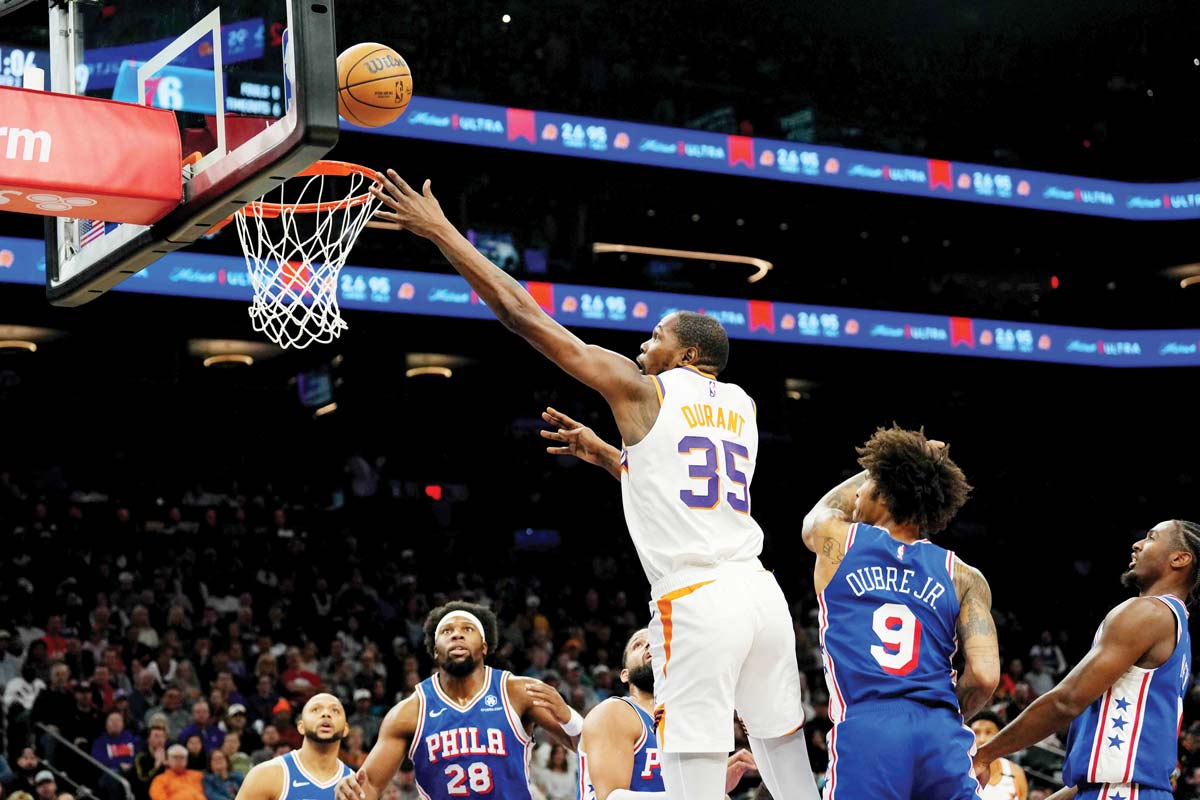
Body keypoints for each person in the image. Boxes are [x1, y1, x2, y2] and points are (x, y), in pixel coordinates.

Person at [371, 170, 820, 800]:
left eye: (656, 336)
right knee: (786, 756)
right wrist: (613, 455)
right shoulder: (742, 404)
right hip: (761, 594)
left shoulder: (645, 389)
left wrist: (441, 231)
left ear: (688, 355)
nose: (643, 343)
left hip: (696, 597)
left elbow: (522, 315)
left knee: (689, 771)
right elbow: (687, 483)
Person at [801, 426, 999, 799]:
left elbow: (822, 510)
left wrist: (895, 465)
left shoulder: (840, 541)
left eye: (869, 481)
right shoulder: (964, 575)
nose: (858, 492)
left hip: (869, 727)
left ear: (885, 490)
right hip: (941, 732)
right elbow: (986, 677)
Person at [973, 520, 1200, 800]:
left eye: (1152, 538)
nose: (1138, 544)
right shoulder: (1180, 631)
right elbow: (1105, 769)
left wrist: (984, 755)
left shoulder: (1148, 612)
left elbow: (1065, 700)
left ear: (1180, 558)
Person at [335, 602, 578, 800]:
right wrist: (350, 793)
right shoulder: (410, 712)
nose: (457, 635)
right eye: (447, 631)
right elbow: (370, 787)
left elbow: (587, 743)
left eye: (467, 629)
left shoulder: (516, 692)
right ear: (435, 650)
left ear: (484, 647)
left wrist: (570, 719)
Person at [579, 629, 756, 800]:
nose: (649, 644)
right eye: (638, 645)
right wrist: (702, 795)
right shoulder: (613, 712)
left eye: (656, 641)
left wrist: (713, 785)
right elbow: (611, 797)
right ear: (624, 675)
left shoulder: (683, 723)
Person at [235, 693, 352, 800]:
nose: (326, 714)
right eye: (316, 709)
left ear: (345, 729)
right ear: (301, 726)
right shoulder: (266, 775)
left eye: (335, 711)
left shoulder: (355, 785)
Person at [969, 712, 1028, 800]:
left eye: (988, 732)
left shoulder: (1016, 772)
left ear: (1000, 736)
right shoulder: (961, 771)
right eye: (976, 733)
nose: (982, 739)